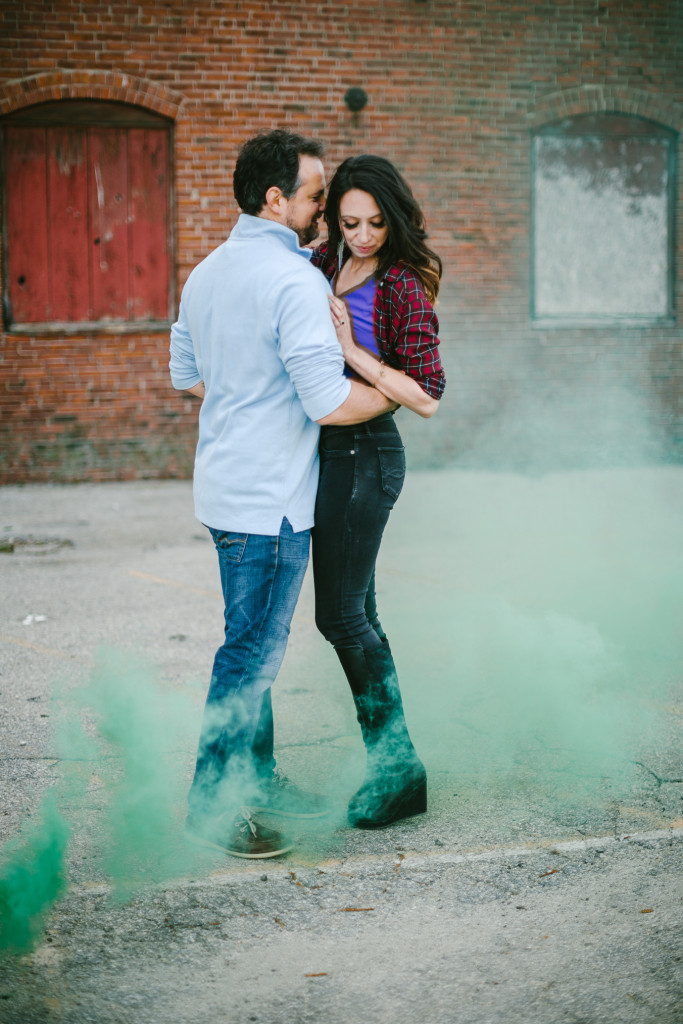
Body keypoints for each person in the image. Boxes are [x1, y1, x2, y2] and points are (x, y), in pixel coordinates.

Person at [169, 131, 395, 859]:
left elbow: (187, 375)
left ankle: (258, 782)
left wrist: (251, 395)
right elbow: (329, 402)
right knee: (249, 658)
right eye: (313, 196)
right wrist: (397, 394)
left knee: (247, 647)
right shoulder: (294, 281)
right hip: (267, 503)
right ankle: (213, 806)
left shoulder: (206, 272)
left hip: (224, 490)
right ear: (275, 199)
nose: (323, 210)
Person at [309, 154, 446, 830]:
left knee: (339, 618)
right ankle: (399, 770)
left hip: (367, 456)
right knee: (356, 614)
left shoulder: (401, 286)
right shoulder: (323, 263)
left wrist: (352, 350)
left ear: (393, 220)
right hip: (331, 454)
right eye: (348, 222)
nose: (362, 236)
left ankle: (397, 769)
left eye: (374, 224)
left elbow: (425, 397)